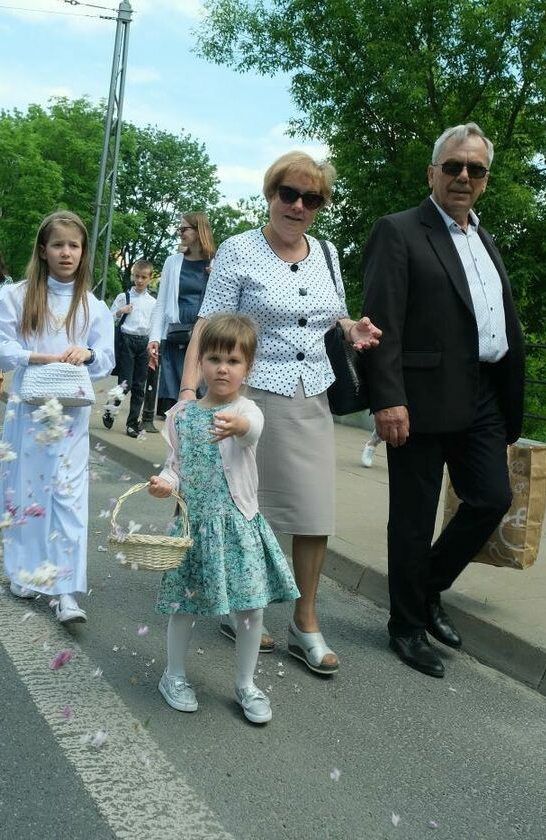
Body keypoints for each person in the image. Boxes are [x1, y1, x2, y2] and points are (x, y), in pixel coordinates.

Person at [179, 152, 381, 675]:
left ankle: (305, 622)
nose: (297, 205)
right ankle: (243, 610)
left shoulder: (327, 252)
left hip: (311, 392)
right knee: (248, 508)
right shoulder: (240, 251)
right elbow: (208, 323)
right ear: (270, 194)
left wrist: (349, 328)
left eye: (310, 198)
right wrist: (186, 394)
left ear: (319, 206)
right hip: (250, 394)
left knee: (314, 513)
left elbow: (332, 312)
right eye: (288, 193)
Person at [362, 123, 526, 679]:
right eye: (453, 166)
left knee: (490, 498)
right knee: (412, 516)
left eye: (474, 169)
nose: (463, 176)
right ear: (431, 172)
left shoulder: (486, 241)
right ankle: (406, 626)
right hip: (420, 397)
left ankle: (425, 589)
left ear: (485, 181)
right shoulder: (400, 231)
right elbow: (382, 320)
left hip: (484, 394)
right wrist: (388, 398)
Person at [148, 313, 299, 725]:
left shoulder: (246, 409)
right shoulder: (182, 415)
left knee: (250, 609)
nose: (222, 368)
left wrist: (238, 425)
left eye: (233, 361)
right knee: (184, 605)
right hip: (193, 528)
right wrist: (164, 483)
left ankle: (245, 683)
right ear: (201, 365)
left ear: (247, 367)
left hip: (237, 525)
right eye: (214, 359)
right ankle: (174, 674)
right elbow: (175, 465)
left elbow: (252, 432)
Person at [0, 210, 115, 626]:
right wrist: (32, 356)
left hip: (72, 414)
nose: (66, 253)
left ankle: (66, 590)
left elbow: (105, 358)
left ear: (83, 251)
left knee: (68, 496)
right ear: (43, 249)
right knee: (27, 492)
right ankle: (26, 572)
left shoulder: (94, 305)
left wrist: (88, 353)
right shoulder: (17, 296)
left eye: (74, 245)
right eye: (58, 244)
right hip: (29, 410)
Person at [149, 212, 215, 419]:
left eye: (184, 229)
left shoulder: (217, 261)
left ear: (199, 230)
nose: (180, 233)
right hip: (177, 333)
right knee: (176, 402)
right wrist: (154, 338)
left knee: (204, 397)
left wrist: (216, 278)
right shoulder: (173, 262)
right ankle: (175, 447)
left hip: (206, 334)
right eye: (180, 228)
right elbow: (161, 302)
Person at [104, 259, 156, 436]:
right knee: (124, 384)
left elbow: (155, 325)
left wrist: (153, 344)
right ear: (133, 275)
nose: (139, 280)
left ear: (150, 278)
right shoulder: (123, 297)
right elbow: (108, 317)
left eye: (143, 277)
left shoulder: (153, 302)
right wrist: (120, 311)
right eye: (137, 276)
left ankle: (132, 423)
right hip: (127, 341)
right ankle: (110, 410)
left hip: (144, 343)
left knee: (139, 387)